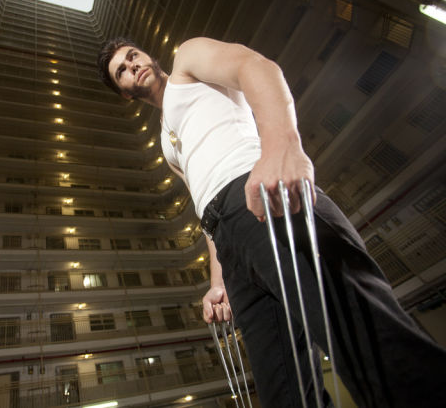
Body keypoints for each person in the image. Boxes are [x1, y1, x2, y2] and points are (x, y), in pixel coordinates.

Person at [97, 37, 446, 408]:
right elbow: (203, 207)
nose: (133, 66)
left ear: (147, 55)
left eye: (133, 56)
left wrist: (282, 145)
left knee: (359, 334)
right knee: (283, 391)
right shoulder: (166, 143)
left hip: (259, 196)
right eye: (122, 70)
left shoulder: (187, 60)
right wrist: (218, 282)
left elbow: (256, 67)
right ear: (125, 92)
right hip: (229, 242)